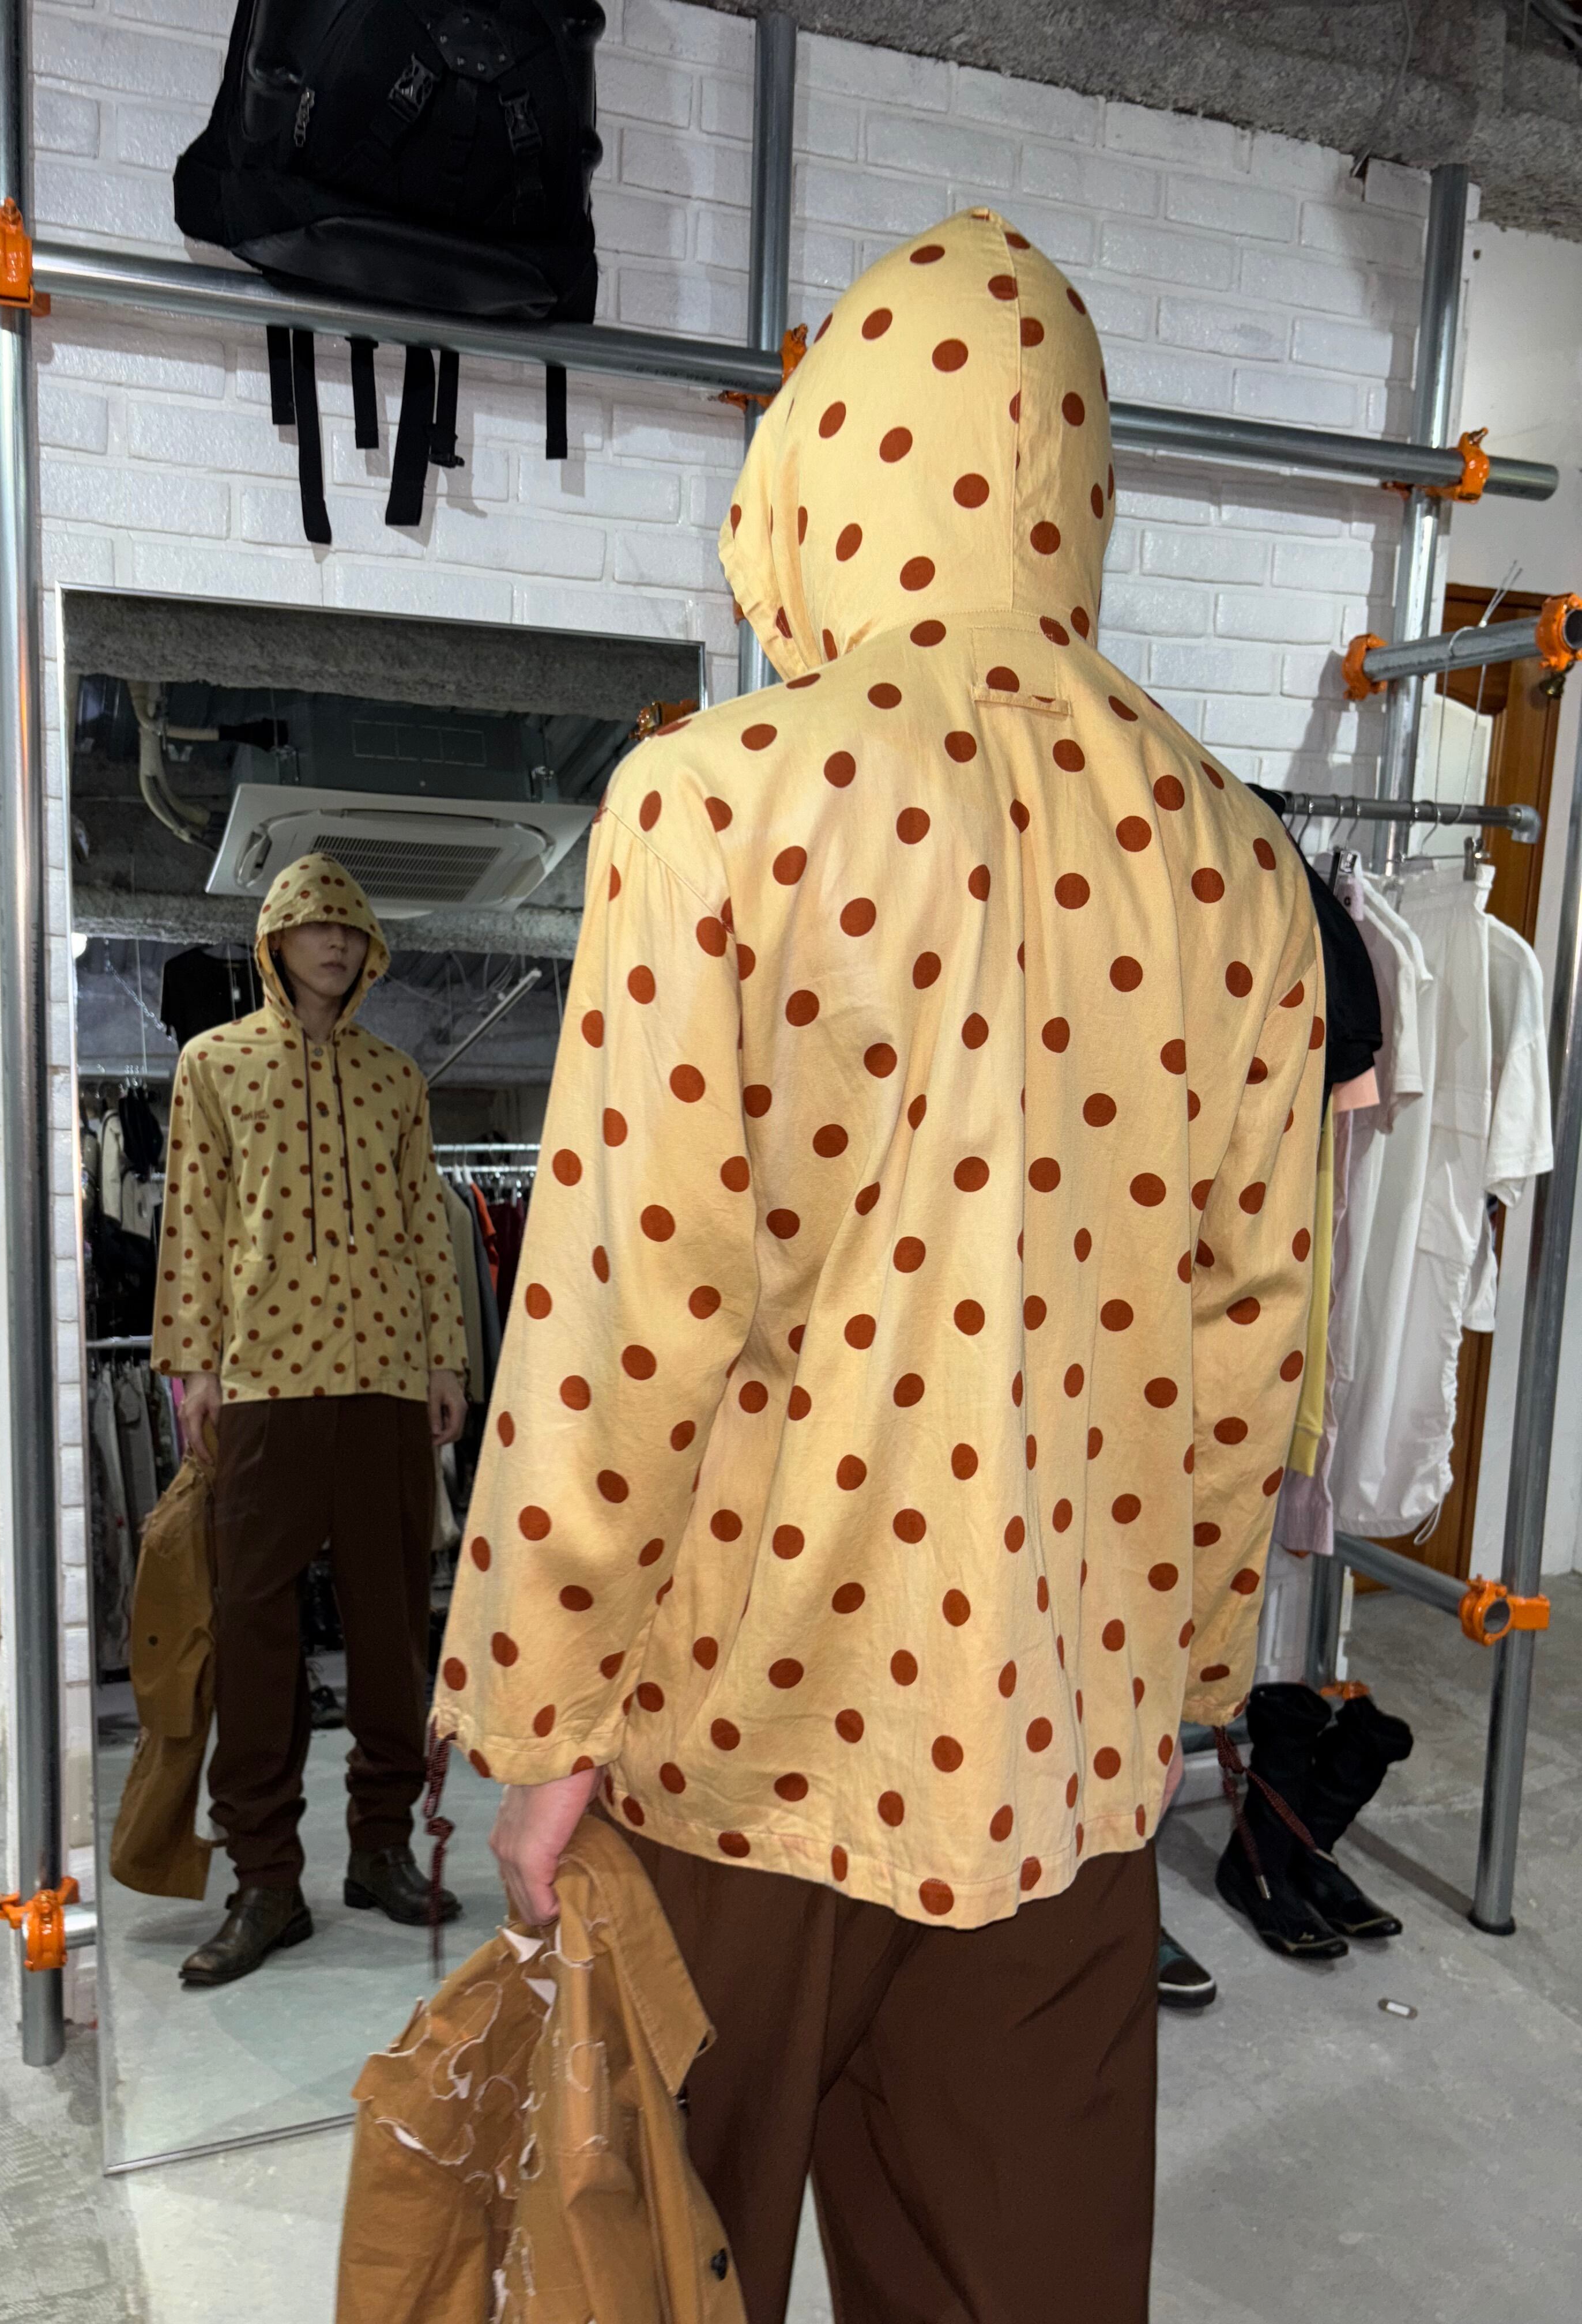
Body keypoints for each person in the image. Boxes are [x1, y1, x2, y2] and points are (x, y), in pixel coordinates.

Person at [433, 208, 1322, 2322]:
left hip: (737, 1748)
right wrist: (1182, 1683)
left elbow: (623, 1313)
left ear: (827, 462)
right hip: (1064, 1762)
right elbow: (1251, 1346)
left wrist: (541, 1717)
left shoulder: (720, 799)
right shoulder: (1235, 856)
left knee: (644, 2276)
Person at [152, 852, 470, 1989]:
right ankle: (265, 1881)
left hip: (384, 1379)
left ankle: (381, 1848)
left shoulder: (397, 1079)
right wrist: (192, 1366)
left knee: (392, 1631)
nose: (334, 942)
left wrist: (447, 1358)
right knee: (256, 1634)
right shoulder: (214, 1064)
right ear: (275, 941)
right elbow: (192, 1219)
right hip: (265, 1383)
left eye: (351, 928)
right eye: (313, 925)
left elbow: (427, 1229)